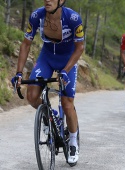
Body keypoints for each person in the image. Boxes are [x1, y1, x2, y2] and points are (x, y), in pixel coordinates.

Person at [11, 0, 84, 165]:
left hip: (68, 59)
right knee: (31, 95)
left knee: (67, 103)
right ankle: (51, 117)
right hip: (47, 58)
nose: (47, 0)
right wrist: (19, 73)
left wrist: (65, 70)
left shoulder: (73, 18)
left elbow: (80, 48)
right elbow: (25, 44)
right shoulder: (37, 15)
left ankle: (73, 142)